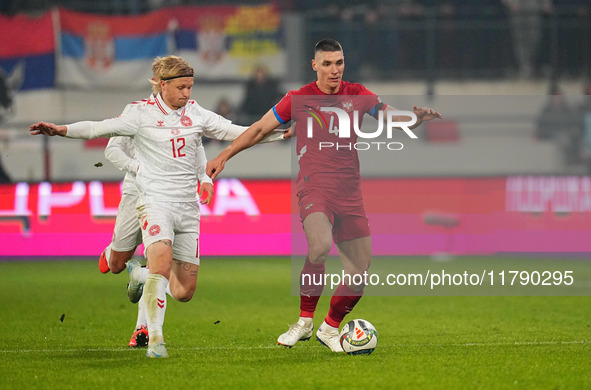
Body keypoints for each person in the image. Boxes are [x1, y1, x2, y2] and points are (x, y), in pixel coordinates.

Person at [30, 55, 287, 358]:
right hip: (152, 200)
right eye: (181, 88)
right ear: (162, 85)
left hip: (187, 207)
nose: (187, 94)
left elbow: (238, 132)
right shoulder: (139, 114)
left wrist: (284, 134)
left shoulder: (196, 114)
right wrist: (60, 130)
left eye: (190, 87)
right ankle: (155, 341)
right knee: (155, 264)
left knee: (183, 291)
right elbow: (99, 129)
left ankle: (140, 276)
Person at [206, 39, 442, 352]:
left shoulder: (357, 94)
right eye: (328, 64)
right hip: (314, 185)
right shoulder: (299, 98)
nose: (334, 70)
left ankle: (329, 328)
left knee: (359, 272)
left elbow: (388, 116)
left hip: (349, 191)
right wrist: (225, 154)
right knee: (319, 246)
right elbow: (259, 128)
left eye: (339, 63)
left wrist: (416, 119)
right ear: (315, 65)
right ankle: (304, 321)